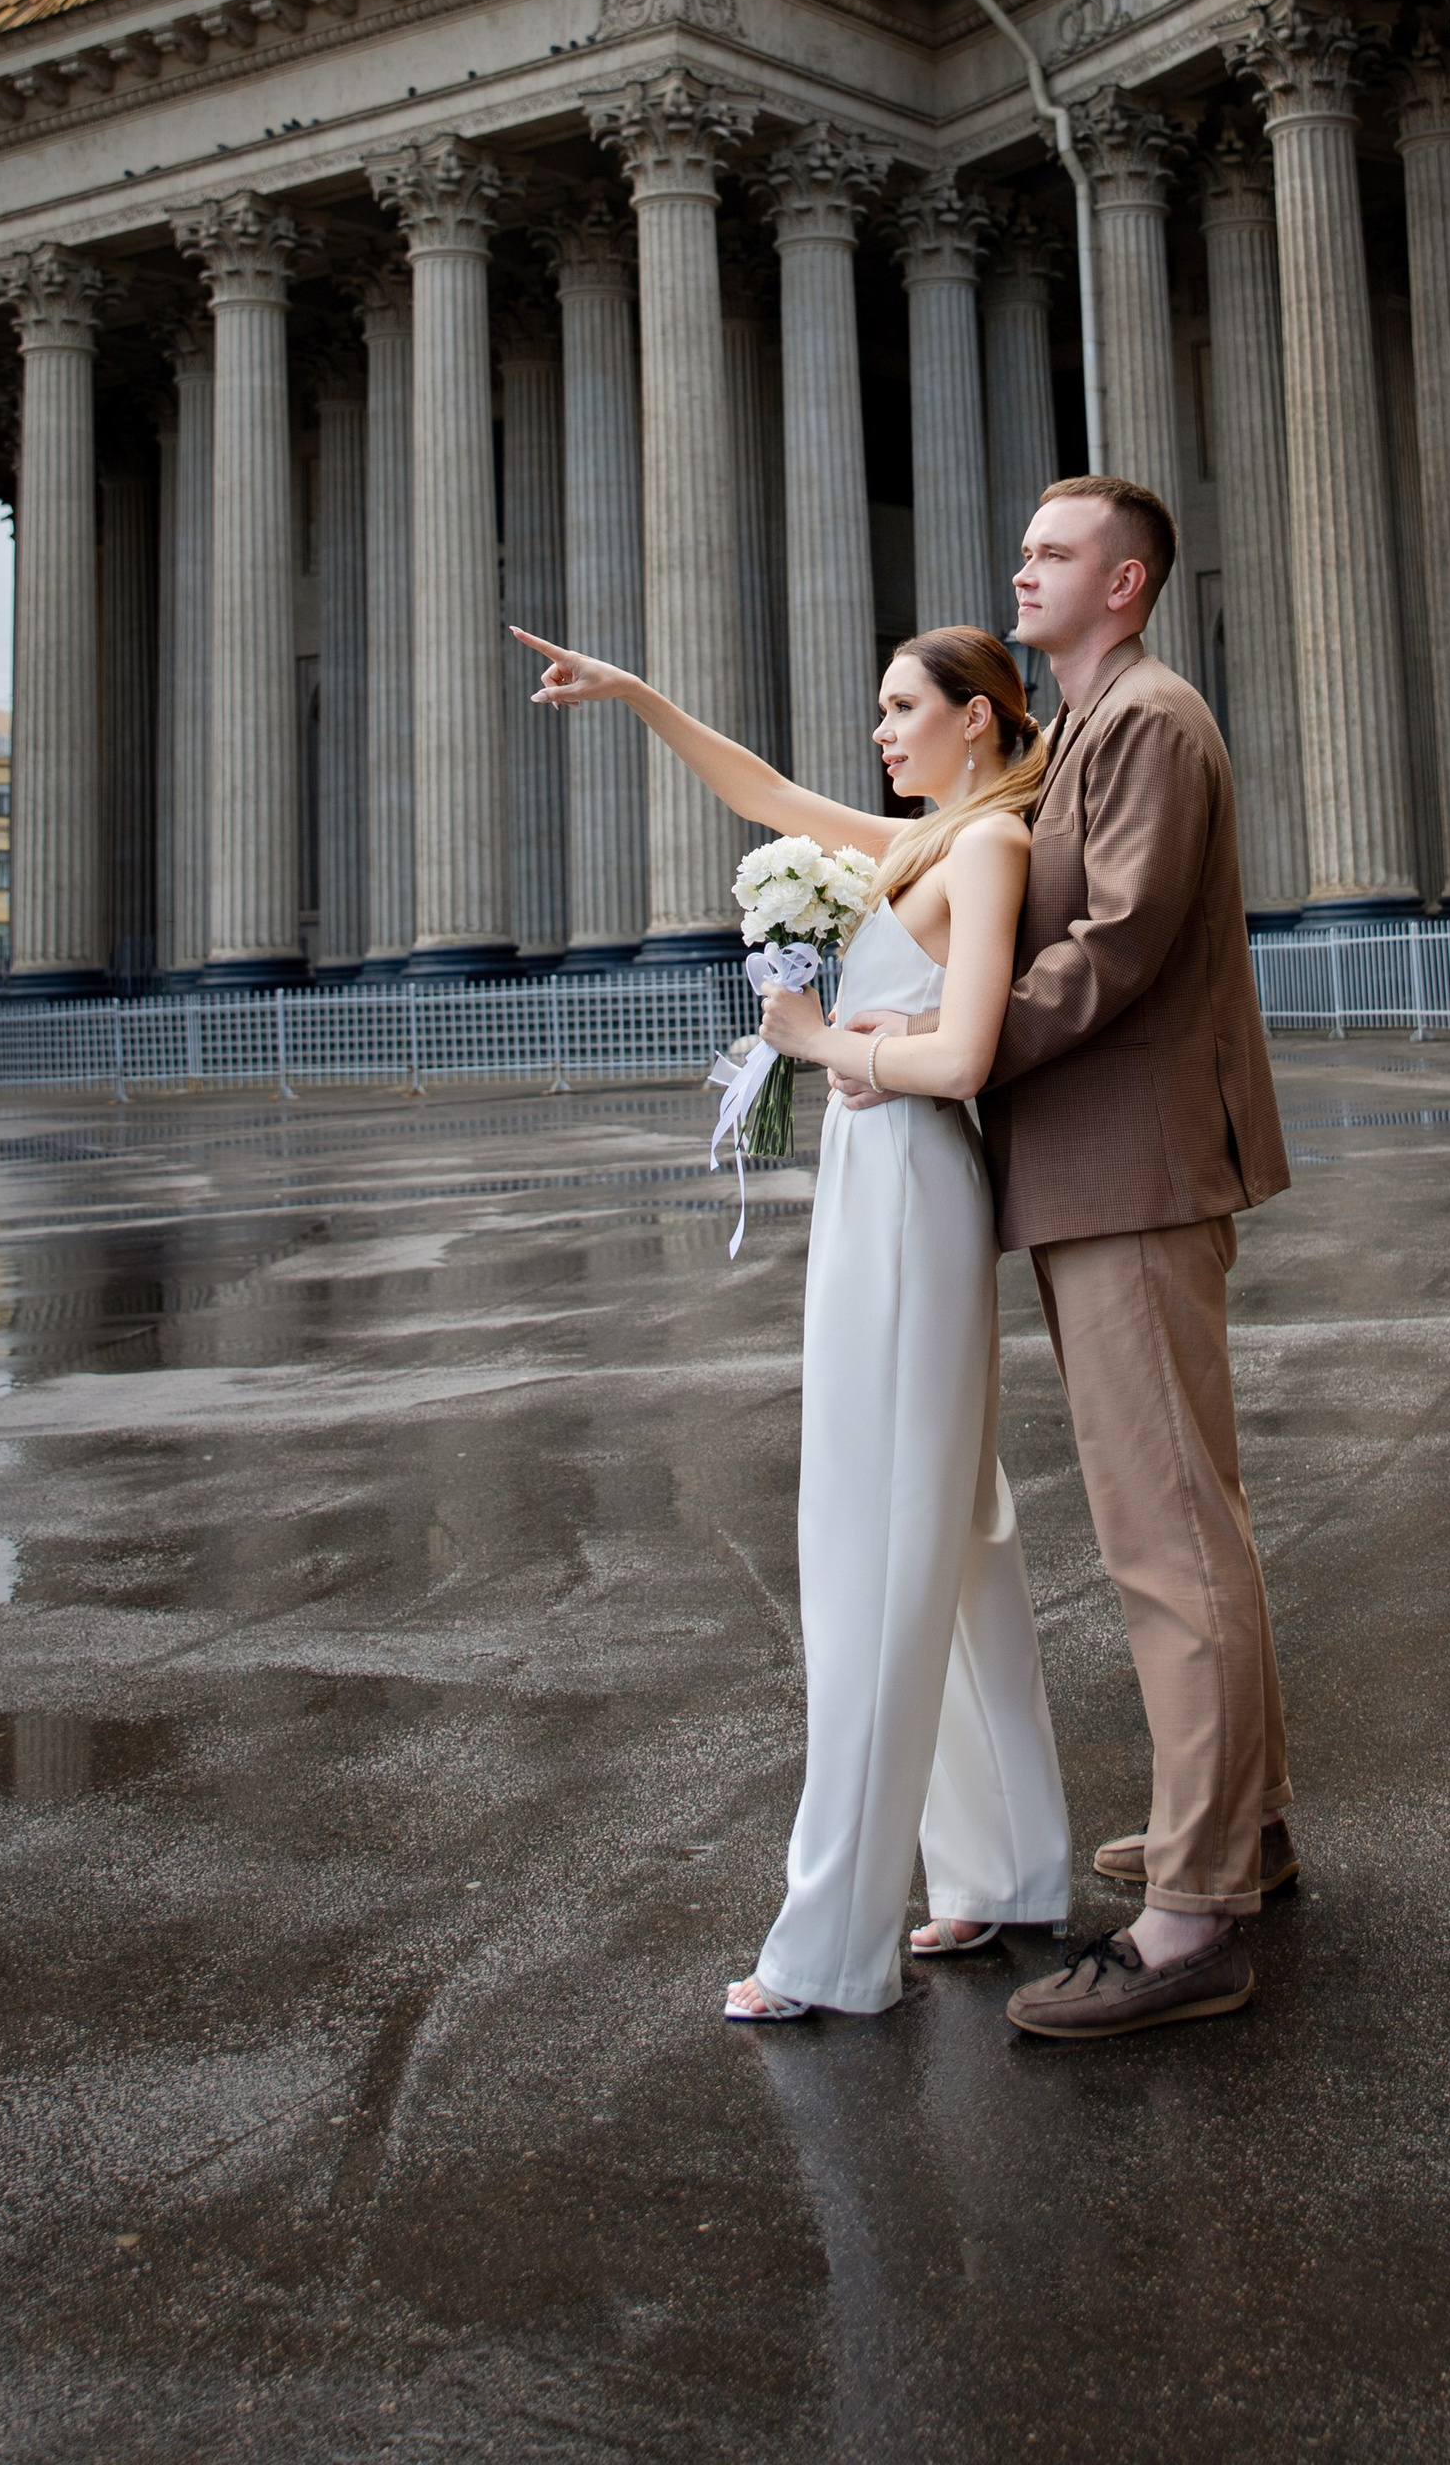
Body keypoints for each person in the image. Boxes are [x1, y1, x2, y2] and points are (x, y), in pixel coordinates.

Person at [516, 619, 1072, 2023]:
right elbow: (761, 792)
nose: (881, 732)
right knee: (953, 1529)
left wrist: (818, 1040)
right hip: (876, 1195)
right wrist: (641, 693)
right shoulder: (919, 843)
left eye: (902, 707)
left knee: (874, 1545)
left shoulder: (988, 849)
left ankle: (832, 1949)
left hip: (910, 1203)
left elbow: (965, 1051)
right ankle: (1007, 1870)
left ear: (980, 720)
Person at [832, 474, 1294, 2039]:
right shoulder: (1097, 728)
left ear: (1129, 583)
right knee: (1190, 1517)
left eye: (1053, 551)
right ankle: (1243, 1829)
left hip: (1135, 1169)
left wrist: (932, 1036)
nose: (1019, 568)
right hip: (1106, 1169)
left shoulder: (1152, 720)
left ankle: (1190, 1921)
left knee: (1165, 1538)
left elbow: (1116, 948)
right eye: (1020, 547)